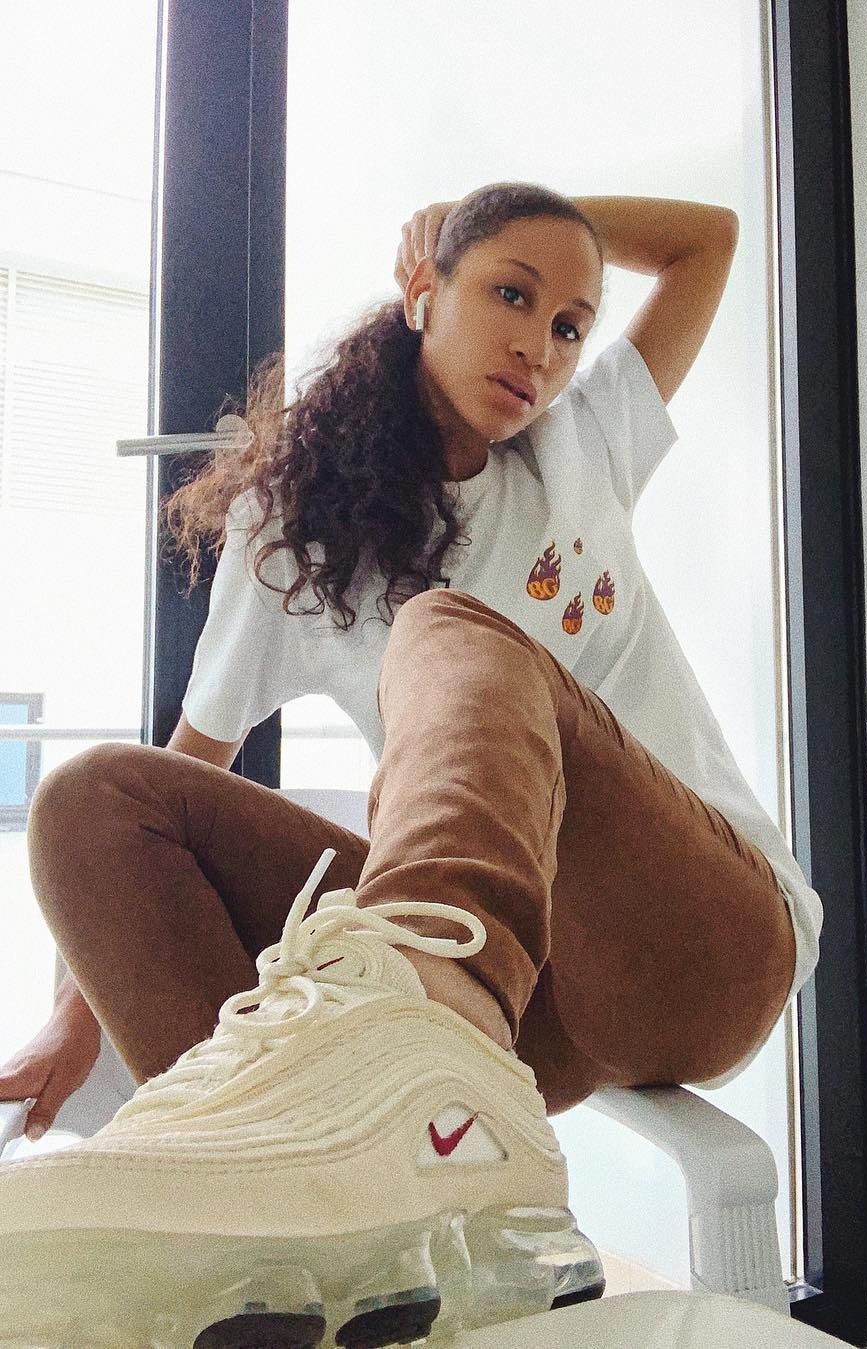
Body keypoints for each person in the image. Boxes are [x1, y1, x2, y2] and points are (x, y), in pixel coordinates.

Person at [1, 181, 823, 1344]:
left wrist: (497, 217)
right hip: (531, 1006)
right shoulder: (291, 531)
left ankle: (423, 1052)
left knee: (447, 629)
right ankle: (273, 1224)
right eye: (511, 294)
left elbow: (709, 240)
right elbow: (196, 754)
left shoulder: (583, 444)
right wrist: (72, 1020)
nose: (541, 348)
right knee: (94, 798)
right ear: (421, 289)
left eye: (571, 323)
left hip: (706, 940)